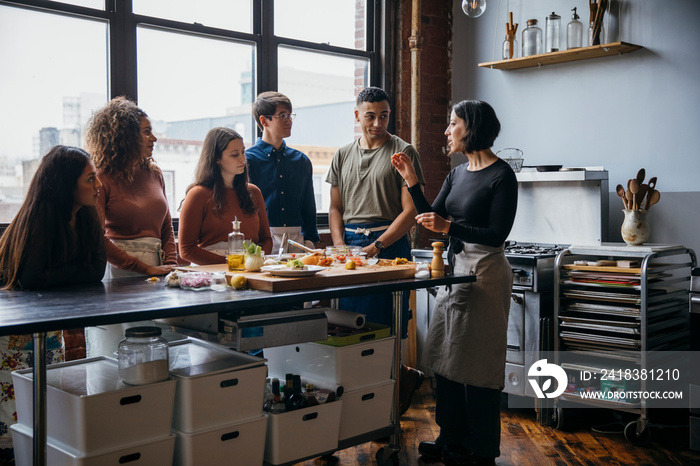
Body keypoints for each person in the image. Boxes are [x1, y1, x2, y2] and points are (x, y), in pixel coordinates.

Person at [391, 100, 518, 466]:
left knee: (479, 363)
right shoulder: (457, 174)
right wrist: (412, 181)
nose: (447, 131)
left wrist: (450, 229)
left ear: (472, 127)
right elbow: (433, 216)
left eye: (452, 124)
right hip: (455, 270)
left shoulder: (501, 176)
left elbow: (496, 234)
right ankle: (451, 439)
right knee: (445, 358)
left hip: (487, 273)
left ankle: (480, 448)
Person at [0, 145, 107, 459]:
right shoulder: (39, 219)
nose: (98, 186)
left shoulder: (86, 215)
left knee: (46, 412)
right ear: (66, 184)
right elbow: (34, 278)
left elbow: (97, 270)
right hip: (17, 334)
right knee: (17, 418)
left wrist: (62, 273)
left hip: (49, 330)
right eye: (90, 180)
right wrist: (77, 272)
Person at [325, 86, 426, 415]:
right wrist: (341, 245)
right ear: (357, 116)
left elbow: (410, 211)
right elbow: (335, 208)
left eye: (384, 115)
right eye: (370, 116)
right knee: (349, 325)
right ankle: (359, 405)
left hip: (390, 245)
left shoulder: (403, 151)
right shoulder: (342, 154)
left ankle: (388, 403)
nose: (378, 123)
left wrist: (377, 246)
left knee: (388, 326)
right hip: (351, 249)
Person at [84, 96, 177, 357]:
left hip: (156, 273)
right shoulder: (101, 176)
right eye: (146, 132)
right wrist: (143, 267)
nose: (154, 138)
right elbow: (96, 238)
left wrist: (171, 264)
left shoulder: (155, 173)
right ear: (125, 137)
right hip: (118, 275)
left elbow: (167, 227)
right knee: (118, 353)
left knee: (157, 351)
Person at [178, 127, 272, 264]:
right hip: (210, 273)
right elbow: (186, 250)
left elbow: (266, 240)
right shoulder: (198, 195)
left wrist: (253, 261)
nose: (242, 159)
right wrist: (231, 263)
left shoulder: (254, 192)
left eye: (243, 152)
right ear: (217, 158)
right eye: (235, 155)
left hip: (251, 268)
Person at [246, 91, 319, 254]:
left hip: (298, 242)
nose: (289, 121)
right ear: (264, 120)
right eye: (282, 115)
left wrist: (310, 239)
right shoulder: (247, 160)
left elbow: (308, 205)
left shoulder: (301, 160)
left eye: (290, 115)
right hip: (260, 241)